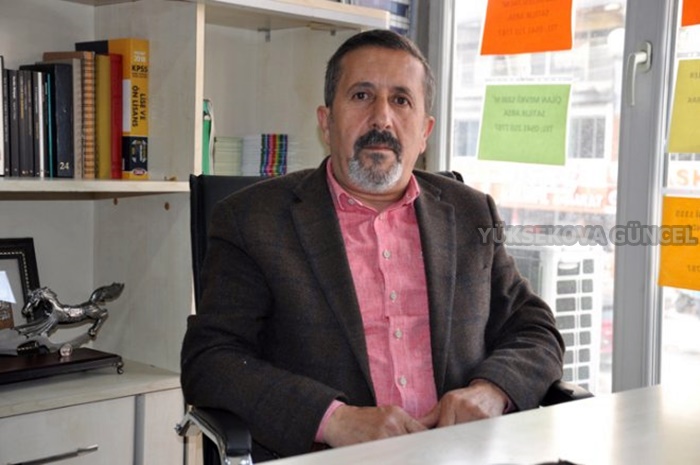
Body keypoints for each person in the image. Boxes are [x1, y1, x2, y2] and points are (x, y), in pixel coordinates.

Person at [181, 29, 564, 461]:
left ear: (425, 131)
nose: (382, 118)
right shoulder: (253, 219)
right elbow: (211, 360)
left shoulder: (470, 213)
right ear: (326, 121)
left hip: (457, 454)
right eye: (362, 96)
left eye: (401, 100)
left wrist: (492, 390)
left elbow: (535, 328)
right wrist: (334, 420)